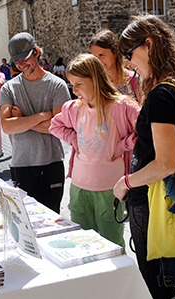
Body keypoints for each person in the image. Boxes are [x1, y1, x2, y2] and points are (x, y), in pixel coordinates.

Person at [113, 15, 175, 299]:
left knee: (156, 286)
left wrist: (126, 182)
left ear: (148, 45)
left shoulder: (162, 94)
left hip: (153, 202)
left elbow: (164, 163)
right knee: (162, 283)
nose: (128, 63)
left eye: (129, 53)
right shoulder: (170, 88)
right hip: (157, 201)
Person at [49, 54, 139, 248]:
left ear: (96, 79)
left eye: (78, 84)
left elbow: (146, 131)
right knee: (82, 243)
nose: (73, 90)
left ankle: (117, 279)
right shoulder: (72, 108)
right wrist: (74, 139)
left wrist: (123, 145)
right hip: (79, 187)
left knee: (112, 243)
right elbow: (55, 126)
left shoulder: (122, 107)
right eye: (71, 84)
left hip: (110, 188)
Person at [0, 32, 70, 213]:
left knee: (53, 219)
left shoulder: (57, 85)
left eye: (25, 58)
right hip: (21, 165)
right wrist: (41, 116)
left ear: (37, 52)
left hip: (51, 163)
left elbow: (58, 128)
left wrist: (22, 120)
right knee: (27, 222)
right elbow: (6, 126)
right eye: (17, 61)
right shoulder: (9, 88)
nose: (21, 65)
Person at [90, 30, 138, 101]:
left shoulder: (133, 79)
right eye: (95, 57)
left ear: (115, 52)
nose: (98, 60)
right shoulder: (94, 82)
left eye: (102, 55)